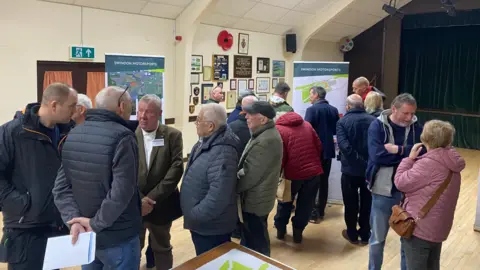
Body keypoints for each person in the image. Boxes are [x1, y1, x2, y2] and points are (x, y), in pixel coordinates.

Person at [53, 86, 142, 269]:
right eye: (131, 106)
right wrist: (95, 223)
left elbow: (60, 188)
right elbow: (122, 192)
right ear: (121, 106)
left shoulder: (73, 134)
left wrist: (74, 220)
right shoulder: (124, 137)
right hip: (118, 237)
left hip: (86, 235)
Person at [0, 83, 77, 269]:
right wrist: (21, 203)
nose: (75, 111)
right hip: (24, 229)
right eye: (72, 106)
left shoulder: (68, 132)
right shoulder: (12, 133)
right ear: (54, 105)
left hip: (57, 225)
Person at [395, 120, 465, 270]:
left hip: (420, 229)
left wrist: (409, 159)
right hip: (437, 227)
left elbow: (401, 182)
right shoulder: (452, 161)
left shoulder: (429, 164)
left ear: (425, 138)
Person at [366, 93, 423, 270]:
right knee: (377, 239)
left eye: (412, 113)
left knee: (407, 238)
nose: (409, 117)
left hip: (409, 193)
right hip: (383, 191)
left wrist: (397, 150)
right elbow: (377, 156)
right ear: (394, 109)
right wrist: (408, 155)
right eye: (405, 113)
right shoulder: (376, 126)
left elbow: (422, 153)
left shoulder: (416, 127)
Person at [180, 104, 240, 256]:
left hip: (211, 227)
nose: (196, 123)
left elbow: (218, 196)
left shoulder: (223, 151)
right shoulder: (206, 142)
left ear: (211, 126)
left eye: (199, 120)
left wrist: (195, 215)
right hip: (202, 224)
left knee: (211, 262)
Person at [136, 94, 183, 270]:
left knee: (162, 246)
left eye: (149, 112)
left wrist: (152, 198)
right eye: (140, 111)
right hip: (135, 204)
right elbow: (123, 171)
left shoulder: (172, 135)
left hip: (162, 203)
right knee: (134, 247)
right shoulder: (128, 135)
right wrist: (140, 199)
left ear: (159, 114)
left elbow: (176, 168)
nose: (143, 116)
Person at [237, 101, 282, 256]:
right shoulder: (261, 134)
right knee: (251, 238)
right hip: (256, 198)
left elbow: (250, 176)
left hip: (256, 200)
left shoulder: (265, 140)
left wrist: (230, 186)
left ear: (263, 119)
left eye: (250, 114)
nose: (246, 117)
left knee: (257, 242)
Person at [274, 111, 323, 244]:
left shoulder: (278, 129)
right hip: (313, 172)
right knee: (306, 204)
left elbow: (281, 155)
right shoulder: (307, 125)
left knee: (285, 202)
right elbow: (318, 146)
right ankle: (298, 232)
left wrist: (278, 173)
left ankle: (280, 230)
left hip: (291, 174)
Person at [336, 94, 376, 245]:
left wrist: (359, 162)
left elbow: (345, 147)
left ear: (347, 106)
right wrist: (366, 164)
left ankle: (352, 233)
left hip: (350, 171)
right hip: (370, 171)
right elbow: (376, 146)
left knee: (350, 203)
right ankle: (365, 232)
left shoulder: (342, 122)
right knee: (367, 202)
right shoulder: (374, 121)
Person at [305, 86, 339, 223]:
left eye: (311, 95)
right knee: (324, 181)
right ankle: (321, 210)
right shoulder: (334, 110)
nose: (309, 98)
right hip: (328, 150)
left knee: (313, 182)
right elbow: (336, 129)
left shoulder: (311, 110)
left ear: (317, 95)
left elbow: (306, 130)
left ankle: (312, 212)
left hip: (314, 151)